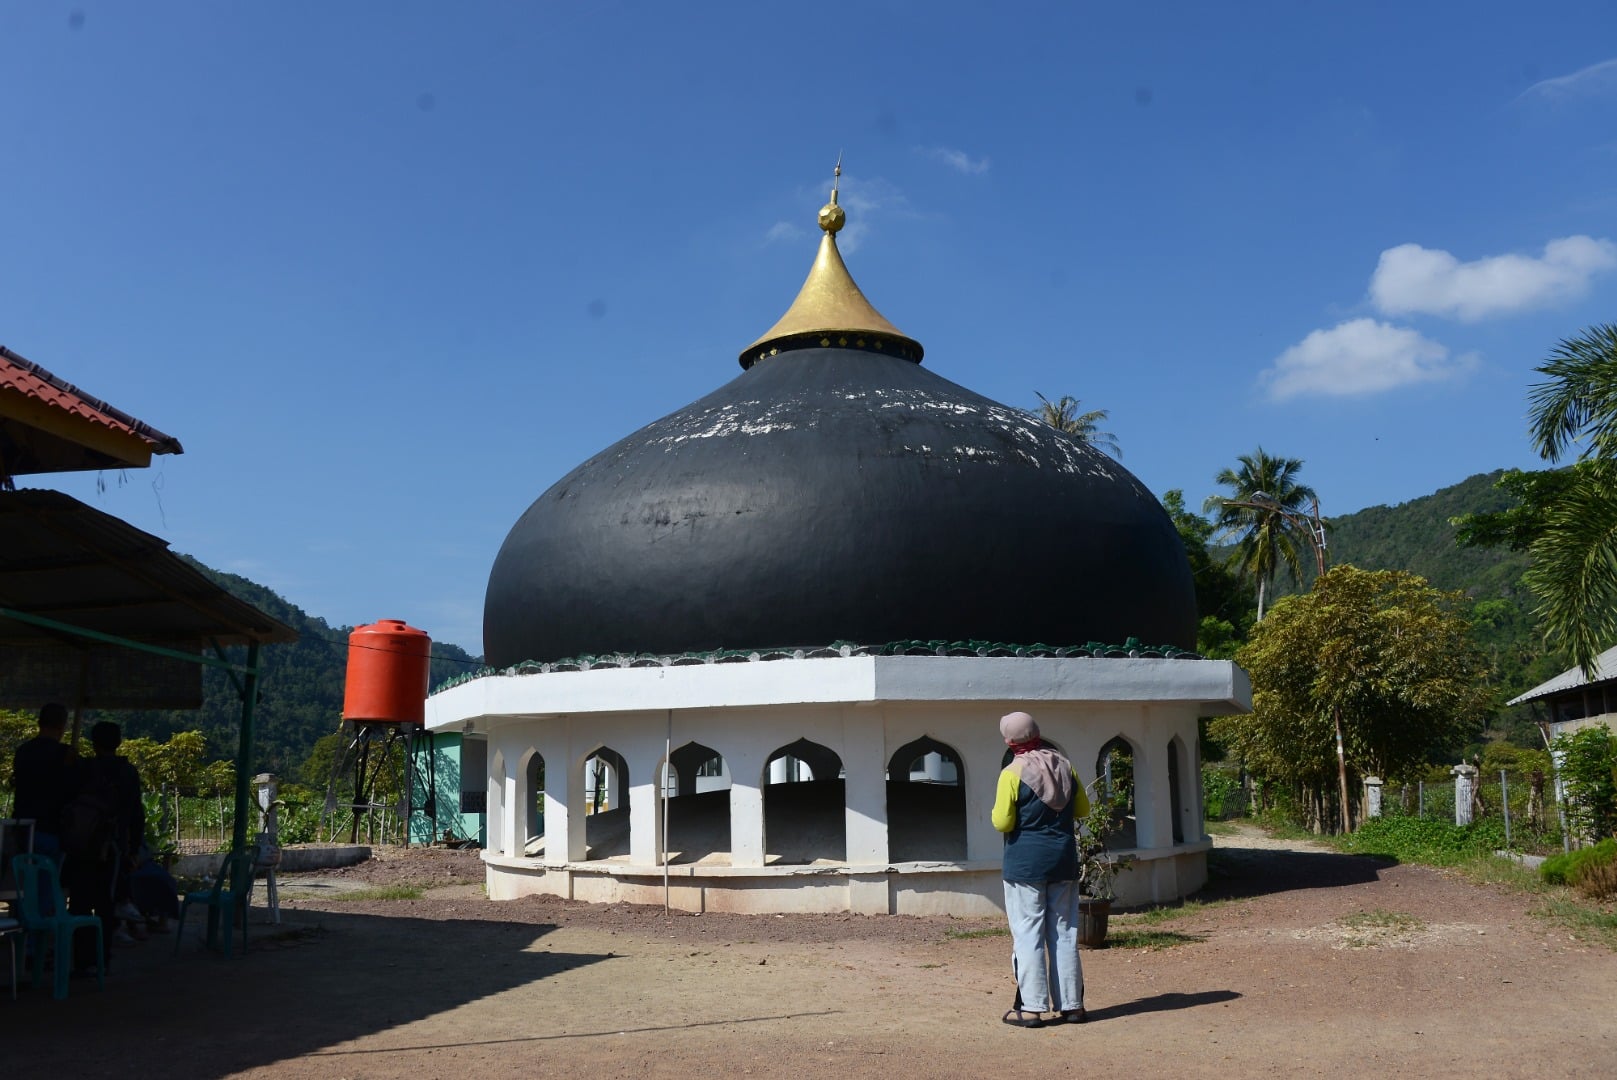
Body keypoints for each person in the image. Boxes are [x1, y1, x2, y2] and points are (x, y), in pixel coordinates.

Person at [991, 710, 1089, 1028]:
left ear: (1009, 740)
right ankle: (1072, 1006)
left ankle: (1032, 1008)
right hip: (1063, 860)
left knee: (1028, 933)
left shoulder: (1012, 773)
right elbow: (1083, 809)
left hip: (1025, 864)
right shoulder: (1065, 766)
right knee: (1064, 933)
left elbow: (1002, 821)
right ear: (1037, 733)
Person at [63, 720, 144, 974]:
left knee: (79, 903)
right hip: (112, 846)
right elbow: (136, 814)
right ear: (118, 743)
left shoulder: (81, 769)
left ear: (93, 743)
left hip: (80, 844)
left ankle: (81, 960)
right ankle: (102, 958)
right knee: (106, 904)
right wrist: (133, 848)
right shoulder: (127, 772)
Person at [10, 702, 78, 860]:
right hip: (50, 828)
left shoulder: (23, 751)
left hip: (22, 827)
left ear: (40, 723)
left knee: (25, 879)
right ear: (62, 726)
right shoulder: (65, 755)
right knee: (47, 879)